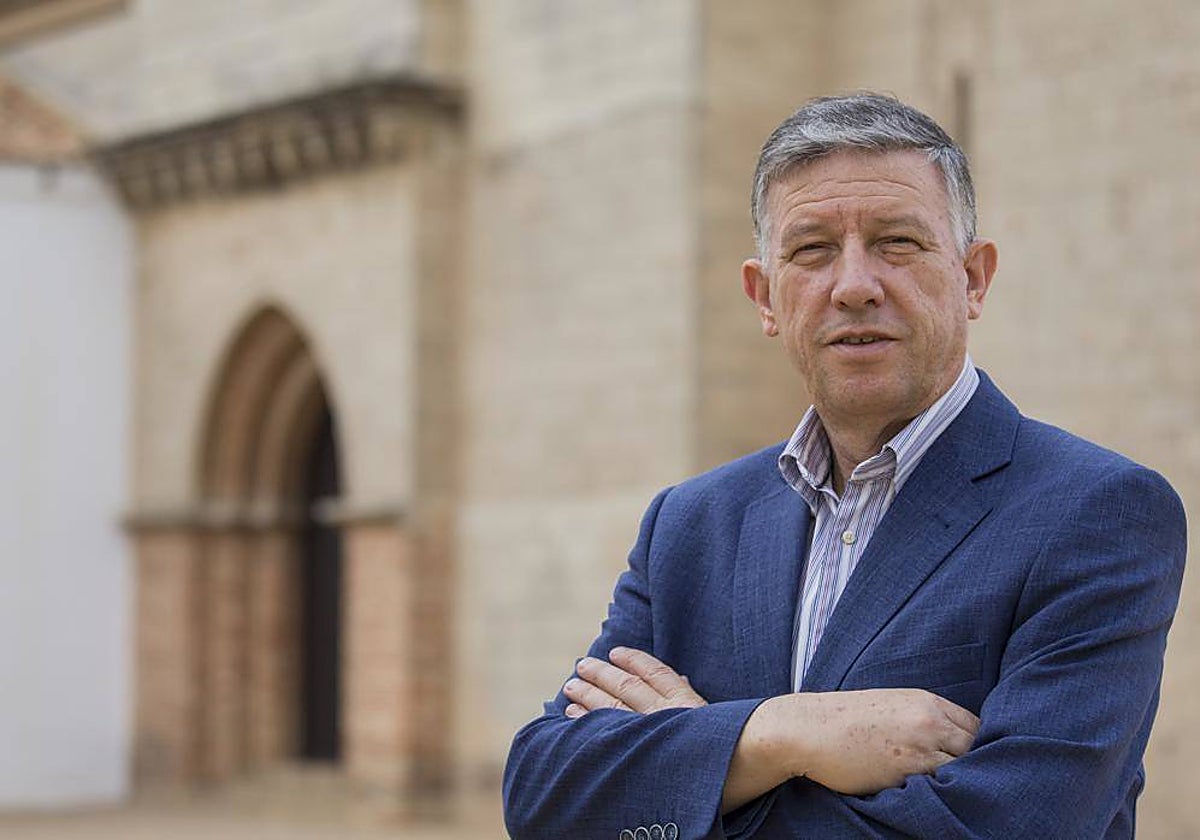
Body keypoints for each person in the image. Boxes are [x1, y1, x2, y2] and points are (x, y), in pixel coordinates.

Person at [502, 93, 1187, 839]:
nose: (855, 285)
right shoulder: (691, 525)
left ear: (973, 279)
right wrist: (779, 734)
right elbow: (545, 794)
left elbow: (1011, 827)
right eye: (812, 250)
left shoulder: (1098, 511)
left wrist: (696, 772)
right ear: (765, 297)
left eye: (898, 242)